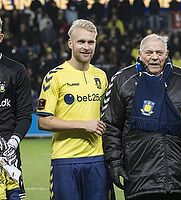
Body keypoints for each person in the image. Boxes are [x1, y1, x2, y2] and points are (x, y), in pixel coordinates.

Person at [102, 33, 181, 200]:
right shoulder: (123, 80)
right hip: (139, 177)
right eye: (149, 53)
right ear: (139, 54)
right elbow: (111, 125)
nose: (154, 57)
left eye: (159, 52)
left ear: (166, 54)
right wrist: (114, 162)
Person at [36, 19, 115, 200]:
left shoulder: (101, 76)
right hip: (65, 160)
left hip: (98, 159)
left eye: (91, 42)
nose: (86, 47)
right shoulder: (55, 76)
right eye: (81, 42)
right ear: (70, 43)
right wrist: (83, 125)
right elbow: (43, 121)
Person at [0, 17, 33, 199]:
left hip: (8, 155)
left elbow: (25, 116)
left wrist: (11, 144)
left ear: (0, 37)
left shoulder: (16, 70)